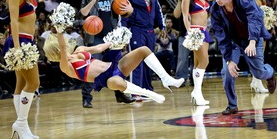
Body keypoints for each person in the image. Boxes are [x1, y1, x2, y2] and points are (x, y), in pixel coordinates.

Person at [46, 32, 184, 104]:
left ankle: (166, 79)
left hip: (114, 66)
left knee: (143, 50)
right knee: (117, 83)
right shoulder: (65, 66)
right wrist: (58, 31)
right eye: (59, 49)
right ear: (57, 51)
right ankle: (148, 93)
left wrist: (113, 41)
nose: (62, 47)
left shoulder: (79, 50)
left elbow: (99, 48)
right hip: (107, 79)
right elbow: (64, 47)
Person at [210, 0, 277, 115]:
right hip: (233, 42)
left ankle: (270, 74)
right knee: (227, 72)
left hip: (252, 38)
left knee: (258, 72)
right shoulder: (216, 9)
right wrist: (229, 60)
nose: (216, 0)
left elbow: (255, 18)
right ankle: (232, 105)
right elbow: (221, 36)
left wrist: (252, 41)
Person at [79, 0, 134, 108]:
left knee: (116, 67)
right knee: (91, 68)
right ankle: (86, 98)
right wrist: (93, 1)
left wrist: (130, 10)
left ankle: (120, 95)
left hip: (111, 38)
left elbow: (126, 12)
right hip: (95, 38)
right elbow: (83, 14)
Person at [3, 0, 40, 139]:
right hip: (21, 42)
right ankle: (20, 122)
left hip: (27, 42)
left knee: (20, 84)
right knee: (34, 83)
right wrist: (17, 48)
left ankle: (22, 126)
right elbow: (14, 21)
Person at [121, 0, 166, 101]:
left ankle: (147, 90)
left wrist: (162, 26)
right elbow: (122, 14)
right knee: (136, 62)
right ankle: (135, 92)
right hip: (136, 30)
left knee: (149, 61)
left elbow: (157, 9)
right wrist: (123, 32)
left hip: (150, 31)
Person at [181, 0, 212, 106]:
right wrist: (190, 33)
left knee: (198, 62)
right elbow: (185, 16)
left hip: (205, 31)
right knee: (204, 61)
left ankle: (197, 94)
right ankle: (196, 92)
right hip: (195, 31)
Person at [246, 0, 269, 93]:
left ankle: (255, 81)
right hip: (251, 32)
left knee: (260, 57)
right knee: (255, 57)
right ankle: (257, 82)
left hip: (262, 30)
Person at [173, 0, 194, 87]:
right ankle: (181, 79)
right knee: (182, 58)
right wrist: (180, 0)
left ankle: (195, 79)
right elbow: (176, 15)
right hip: (184, 34)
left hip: (196, 33)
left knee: (196, 59)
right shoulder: (182, 1)